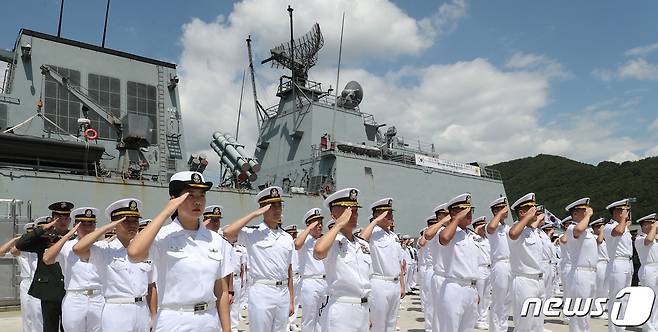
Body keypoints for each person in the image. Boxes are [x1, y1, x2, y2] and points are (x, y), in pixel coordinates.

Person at [127, 171, 233, 331]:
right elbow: (134, 253)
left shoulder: (216, 240)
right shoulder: (162, 236)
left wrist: (227, 329)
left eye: (202, 195)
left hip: (209, 321)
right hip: (174, 320)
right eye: (190, 195)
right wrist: (165, 212)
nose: (198, 201)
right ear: (174, 200)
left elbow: (221, 289)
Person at [72, 199, 157, 332]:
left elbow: (151, 286)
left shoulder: (146, 250)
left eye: (135, 220)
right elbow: (78, 249)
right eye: (126, 221)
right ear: (115, 224)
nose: (132, 225)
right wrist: (106, 228)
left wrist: (153, 316)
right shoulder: (105, 249)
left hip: (142, 310)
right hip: (117, 311)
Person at [223, 186, 295, 332]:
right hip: (262, 291)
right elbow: (227, 233)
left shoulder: (287, 238)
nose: (277, 209)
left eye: (279, 205)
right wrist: (254, 214)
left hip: (283, 293)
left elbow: (289, 271)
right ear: (263, 209)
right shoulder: (253, 233)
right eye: (272, 206)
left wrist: (291, 300)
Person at [313, 188, 372, 332]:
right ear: (333, 215)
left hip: (363, 310)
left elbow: (367, 279)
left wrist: (368, 313)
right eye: (347, 210)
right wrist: (339, 224)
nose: (353, 214)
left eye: (355, 210)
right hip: (341, 310)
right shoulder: (331, 241)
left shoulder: (363, 244)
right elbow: (319, 251)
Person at [42, 206, 104, 332]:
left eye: (91, 224)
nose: (87, 228)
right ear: (75, 226)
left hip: (98, 299)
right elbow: (47, 259)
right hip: (75, 298)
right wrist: (67, 235)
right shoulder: (66, 246)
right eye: (83, 224)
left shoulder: (103, 247)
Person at [15, 201, 74, 332]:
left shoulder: (74, 238)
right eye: (59, 218)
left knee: (68, 327)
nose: (63, 222)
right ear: (53, 219)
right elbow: (20, 244)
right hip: (49, 291)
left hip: (69, 291)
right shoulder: (43, 238)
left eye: (66, 218)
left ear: (70, 220)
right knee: (49, 328)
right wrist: (42, 229)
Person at [360, 198, 405, 332]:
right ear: (377, 215)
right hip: (379, 284)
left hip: (395, 284)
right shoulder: (373, 233)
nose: (391, 216)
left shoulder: (394, 236)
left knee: (391, 323)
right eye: (387, 214)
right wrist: (375, 221)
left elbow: (398, 263)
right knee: (378, 324)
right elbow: (362, 238)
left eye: (391, 213)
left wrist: (402, 285)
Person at [508, 193, 544, 331]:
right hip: (525, 281)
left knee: (537, 324)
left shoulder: (532, 231)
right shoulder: (516, 229)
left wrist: (533, 218)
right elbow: (513, 234)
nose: (535, 210)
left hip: (538, 281)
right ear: (522, 212)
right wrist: (528, 216)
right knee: (525, 324)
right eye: (531, 208)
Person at [0, 222, 42, 332]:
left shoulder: (42, 246)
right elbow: (1, 252)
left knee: (40, 314)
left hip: (41, 282)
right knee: (27, 315)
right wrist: (16, 240)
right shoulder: (20, 249)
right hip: (27, 283)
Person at [564, 198, 597, 332]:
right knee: (579, 313)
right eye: (584, 210)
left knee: (586, 311)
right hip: (580, 273)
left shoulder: (588, 231)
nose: (588, 212)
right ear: (575, 214)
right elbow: (578, 230)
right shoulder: (572, 228)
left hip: (590, 273)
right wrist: (589, 216)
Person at [294, 208, 328, 332]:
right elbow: (297, 244)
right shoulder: (304, 239)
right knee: (309, 319)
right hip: (310, 282)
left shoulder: (324, 240)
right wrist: (308, 229)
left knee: (322, 318)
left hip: (325, 282)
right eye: (316, 223)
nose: (319, 226)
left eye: (320, 223)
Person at [603, 198, 633, 332]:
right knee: (616, 299)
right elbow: (618, 231)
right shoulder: (610, 226)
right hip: (617, 263)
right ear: (616, 213)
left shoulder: (624, 227)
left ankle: (621, 328)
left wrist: (625, 222)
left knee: (625, 299)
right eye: (624, 211)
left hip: (627, 263)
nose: (627, 214)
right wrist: (623, 221)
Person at [485, 197, 513, 332]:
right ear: (495, 210)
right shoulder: (491, 226)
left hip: (511, 265)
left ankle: (503, 328)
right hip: (499, 265)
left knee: (507, 301)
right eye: (502, 208)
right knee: (498, 301)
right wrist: (499, 214)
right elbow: (490, 228)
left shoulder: (508, 228)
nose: (505, 211)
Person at [634, 213, 658, 331]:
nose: (655, 225)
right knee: (649, 298)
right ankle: (647, 325)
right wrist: (655, 227)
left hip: (656, 268)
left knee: (656, 299)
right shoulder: (640, 238)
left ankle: (654, 323)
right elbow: (648, 240)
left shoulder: (654, 238)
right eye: (652, 223)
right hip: (648, 269)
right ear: (645, 225)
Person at [416, 215, 437, 332]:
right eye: (432, 224)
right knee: (429, 300)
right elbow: (422, 243)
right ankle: (429, 327)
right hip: (429, 269)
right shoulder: (426, 235)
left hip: (442, 270)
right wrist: (427, 233)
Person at [473, 216, 492, 330]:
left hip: (488, 269)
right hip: (478, 269)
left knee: (486, 297)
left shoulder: (487, 239)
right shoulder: (474, 239)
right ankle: (477, 319)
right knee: (478, 296)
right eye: (482, 226)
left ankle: (483, 319)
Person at [590, 217, 609, 320]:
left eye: (601, 226)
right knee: (598, 288)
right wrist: (602, 231)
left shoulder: (604, 238)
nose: (600, 229)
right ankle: (596, 309)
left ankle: (601, 308)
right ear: (594, 228)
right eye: (598, 227)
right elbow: (599, 241)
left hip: (606, 264)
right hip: (599, 264)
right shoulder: (593, 237)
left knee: (604, 289)